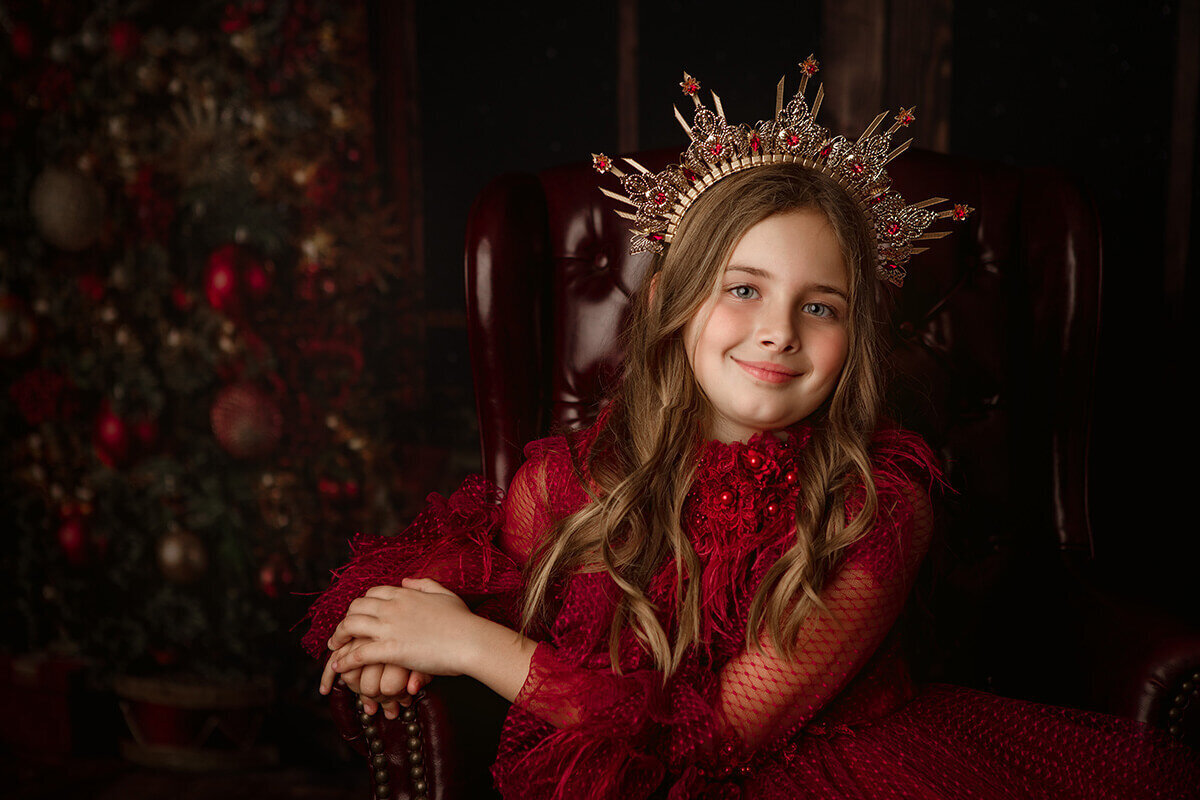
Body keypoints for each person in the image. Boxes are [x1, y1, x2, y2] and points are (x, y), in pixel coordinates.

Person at [302, 59, 1200, 799]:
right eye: (743, 289)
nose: (778, 330)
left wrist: (467, 644)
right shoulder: (572, 480)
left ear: (858, 340)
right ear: (671, 303)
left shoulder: (877, 507)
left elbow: (715, 733)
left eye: (821, 306)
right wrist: (399, 626)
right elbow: (473, 568)